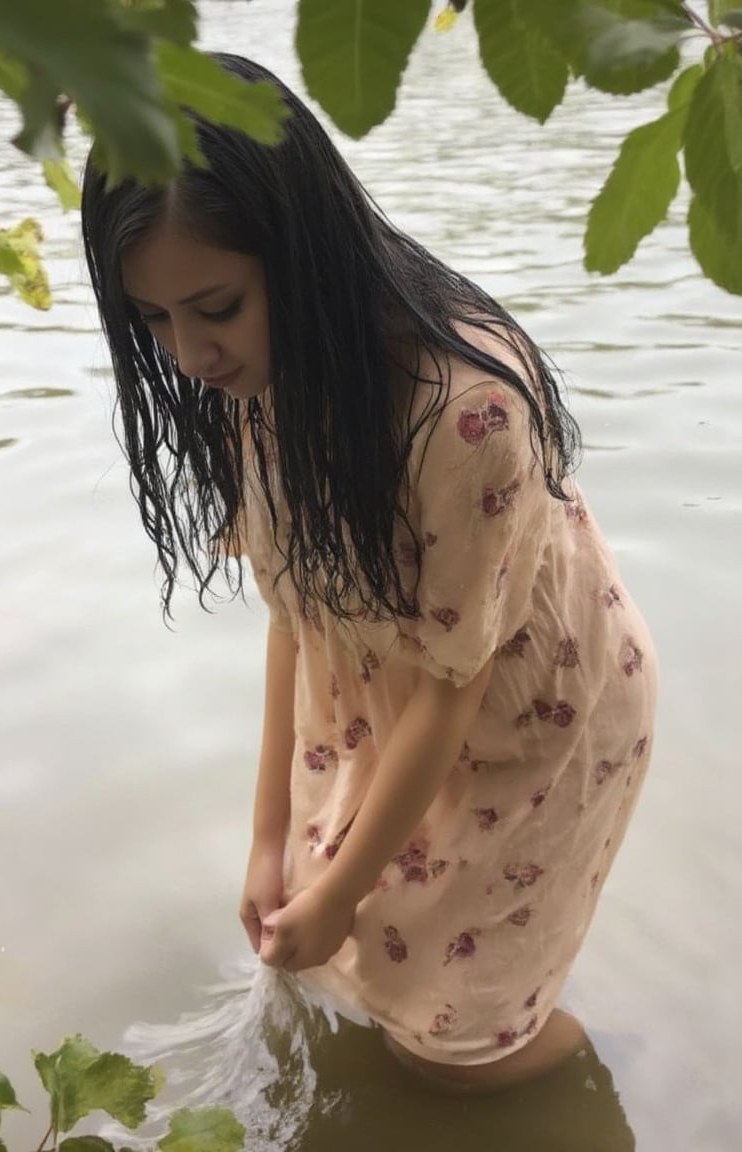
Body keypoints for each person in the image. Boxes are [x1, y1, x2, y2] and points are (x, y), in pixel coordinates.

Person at [81, 54, 657, 1092]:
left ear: (298, 256)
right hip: (377, 682)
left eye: (215, 306)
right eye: (157, 323)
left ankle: (632, 1076)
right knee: (375, 969)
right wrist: (270, 844)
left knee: (458, 1046)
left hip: (523, 709)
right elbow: (293, 616)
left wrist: (342, 890)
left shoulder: (468, 410)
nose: (191, 355)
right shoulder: (260, 371)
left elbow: (457, 679)